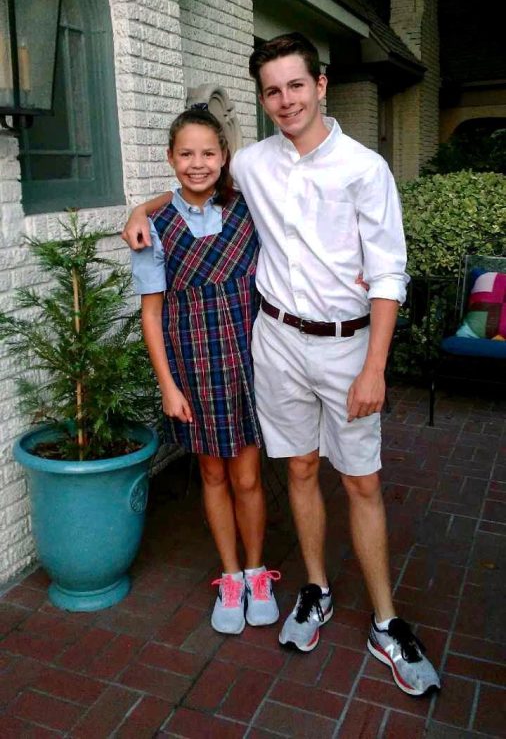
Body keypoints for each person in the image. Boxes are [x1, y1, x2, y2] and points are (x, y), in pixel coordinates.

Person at [124, 34, 440, 696]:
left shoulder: (363, 168)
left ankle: (386, 621)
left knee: (360, 480)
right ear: (263, 101)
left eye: (296, 85)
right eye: (272, 91)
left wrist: (376, 365)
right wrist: (140, 208)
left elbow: (388, 273)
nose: (286, 100)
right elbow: (193, 183)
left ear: (320, 85)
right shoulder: (257, 164)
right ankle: (317, 590)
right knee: (297, 467)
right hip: (275, 342)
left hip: (348, 345)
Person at [130, 106, 280, 636]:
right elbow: (151, 314)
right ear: (171, 158)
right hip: (192, 365)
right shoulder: (156, 229)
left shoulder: (248, 209)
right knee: (213, 473)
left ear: (225, 158)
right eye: (186, 154)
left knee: (247, 474)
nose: (198, 164)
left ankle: (259, 571)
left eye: (209, 153)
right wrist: (168, 387)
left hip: (251, 360)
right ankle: (231, 575)